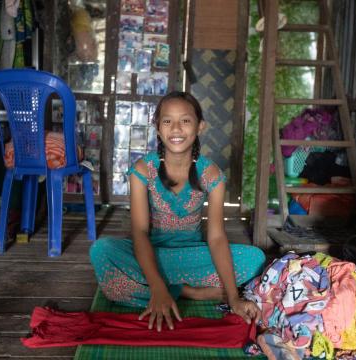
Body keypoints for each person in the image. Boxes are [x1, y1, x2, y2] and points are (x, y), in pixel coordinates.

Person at [90, 91, 266, 332]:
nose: (176, 129)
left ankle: (160, 288)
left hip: (194, 257)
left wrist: (234, 298)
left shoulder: (211, 175)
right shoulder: (143, 170)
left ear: (199, 126)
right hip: (154, 255)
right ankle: (187, 291)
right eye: (167, 121)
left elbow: (216, 238)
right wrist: (158, 286)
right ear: (158, 128)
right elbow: (140, 232)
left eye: (185, 120)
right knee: (102, 250)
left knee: (255, 258)